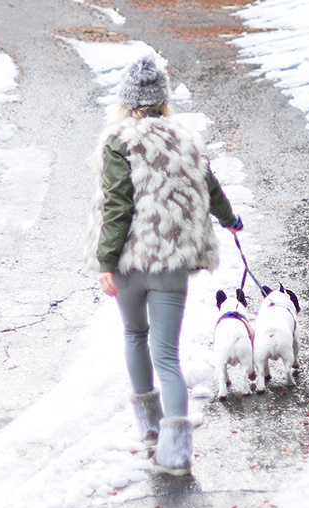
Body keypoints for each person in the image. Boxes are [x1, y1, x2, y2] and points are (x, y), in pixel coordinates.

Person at [84, 55, 242, 476]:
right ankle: (176, 454)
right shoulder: (185, 139)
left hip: (129, 264)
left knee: (135, 335)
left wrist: (106, 261)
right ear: (161, 100)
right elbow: (210, 185)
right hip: (171, 264)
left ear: (127, 99)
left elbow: (118, 205)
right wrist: (230, 220)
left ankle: (150, 431)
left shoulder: (118, 140)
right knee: (168, 356)